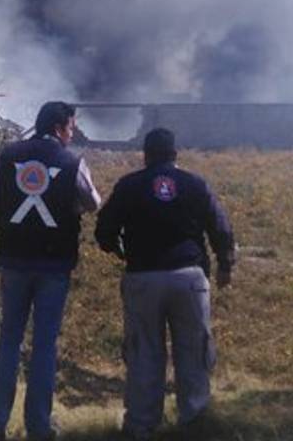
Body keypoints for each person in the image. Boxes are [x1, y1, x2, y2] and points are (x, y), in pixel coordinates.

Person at [95, 127, 236, 439]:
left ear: (145, 156)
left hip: (143, 278)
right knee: (194, 352)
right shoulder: (195, 184)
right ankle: (195, 421)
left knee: (144, 351)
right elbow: (221, 228)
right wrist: (226, 266)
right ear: (176, 154)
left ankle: (142, 426)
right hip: (189, 279)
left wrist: (119, 250)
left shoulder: (129, 185)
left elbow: (103, 230)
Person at [0, 101, 102, 441]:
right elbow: (93, 202)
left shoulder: (8, 156)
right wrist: (69, 204)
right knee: (45, 345)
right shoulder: (71, 160)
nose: (72, 133)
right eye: (71, 128)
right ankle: (39, 427)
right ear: (61, 128)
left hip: (13, 262)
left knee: (8, 341)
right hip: (54, 265)